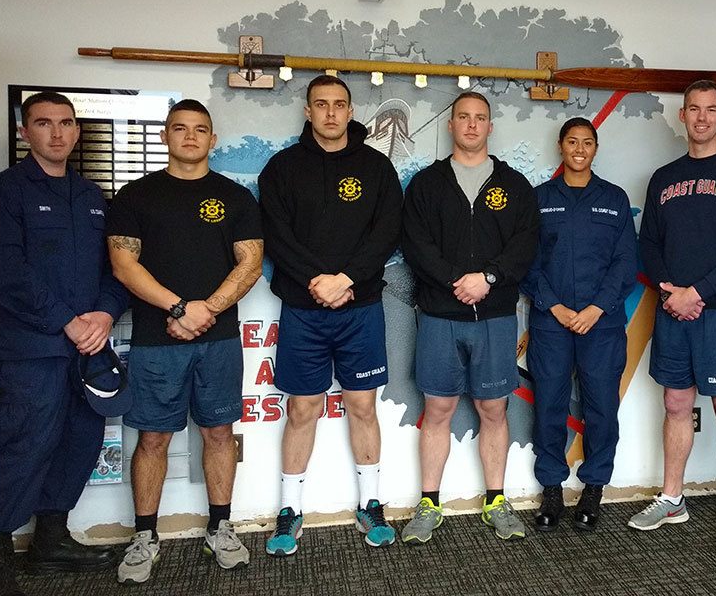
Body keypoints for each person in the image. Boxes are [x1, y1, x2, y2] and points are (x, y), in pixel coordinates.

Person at [106, 100, 263, 585]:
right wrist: (179, 308)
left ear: (213, 139)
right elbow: (123, 265)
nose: (190, 137)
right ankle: (145, 536)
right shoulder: (134, 196)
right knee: (153, 438)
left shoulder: (236, 198)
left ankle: (220, 526)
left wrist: (205, 310)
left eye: (200, 130)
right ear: (164, 136)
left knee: (218, 433)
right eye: (180, 128)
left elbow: (250, 263)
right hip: (158, 340)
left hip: (218, 341)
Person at [258, 75, 403, 556]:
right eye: (321, 104)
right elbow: (276, 236)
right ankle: (290, 510)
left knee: (363, 406)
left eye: (339, 104)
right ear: (307, 110)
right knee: (302, 409)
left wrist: (346, 281)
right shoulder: (281, 169)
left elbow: (385, 234)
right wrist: (316, 282)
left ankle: (371, 502)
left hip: (359, 309)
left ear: (350, 109)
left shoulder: (377, 168)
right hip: (303, 309)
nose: (330, 113)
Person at [0, 92, 129, 595]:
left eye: (66, 123)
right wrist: (66, 321)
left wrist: (105, 312)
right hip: (32, 350)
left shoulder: (93, 196)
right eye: (43, 123)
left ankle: (51, 539)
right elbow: (7, 273)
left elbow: (117, 269)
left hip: (88, 349)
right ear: (24, 131)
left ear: (76, 131)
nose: (57, 133)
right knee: (23, 446)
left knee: (79, 441)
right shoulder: (4, 192)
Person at [630, 80, 716, 554]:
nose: (703, 117)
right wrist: (672, 291)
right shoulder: (663, 177)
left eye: (712, 110)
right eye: (694, 109)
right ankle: (672, 498)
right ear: (683, 116)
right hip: (673, 310)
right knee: (675, 404)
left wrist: (698, 292)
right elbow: (648, 243)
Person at [399, 91, 539, 543]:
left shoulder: (514, 185)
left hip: (495, 317)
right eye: (464, 117)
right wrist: (458, 281)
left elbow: (524, 244)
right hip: (440, 315)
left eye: (481, 118)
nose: (472, 125)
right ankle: (428, 503)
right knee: (437, 409)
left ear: (490, 126)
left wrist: (490, 279)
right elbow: (417, 245)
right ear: (452, 124)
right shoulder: (427, 185)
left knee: (493, 409)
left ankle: (496, 500)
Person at [521, 117, 637, 532]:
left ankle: (593, 489)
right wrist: (553, 306)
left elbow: (626, 263)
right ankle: (551, 489)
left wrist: (596, 308)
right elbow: (527, 261)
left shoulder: (615, 199)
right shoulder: (538, 199)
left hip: (601, 325)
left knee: (601, 408)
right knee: (549, 404)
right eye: (572, 142)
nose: (580, 149)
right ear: (560, 146)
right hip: (551, 323)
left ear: (595, 148)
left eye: (588, 143)